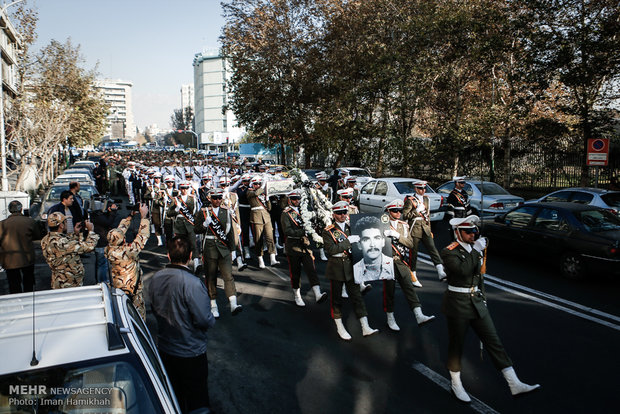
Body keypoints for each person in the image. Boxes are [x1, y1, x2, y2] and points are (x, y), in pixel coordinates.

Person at [441, 215, 540, 402]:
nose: (473, 234)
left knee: (493, 341)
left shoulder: (475, 249)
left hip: (477, 302)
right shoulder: (449, 251)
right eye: (468, 231)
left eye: (474, 231)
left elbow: (479, 278)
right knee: (457, 346)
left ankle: (514, 382)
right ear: (458, 233)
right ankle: (456, 383)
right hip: (458, 303)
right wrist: (475, 250)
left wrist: (483, 298)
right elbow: (462, 271)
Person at [147, 235, 216, 414]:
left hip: (166, 348)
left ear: (168, 256)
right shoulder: (192, 283)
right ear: (190, 255)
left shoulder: (155, 279)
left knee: (174, 398)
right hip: (191, 352)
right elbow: (203, 319)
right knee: (197, 400)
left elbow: (154, 308)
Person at [323, 201, 378, 341]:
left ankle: (365, 326)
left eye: (344, 212)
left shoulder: (352, 227)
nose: (343, 215)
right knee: (336, 300)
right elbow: (330, 250)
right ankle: (340, 326)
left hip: (352, 267)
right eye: (339, 213)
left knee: (357, 297)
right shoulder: (328, 231)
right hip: (336, 268)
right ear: (333, 214)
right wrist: (348, 242)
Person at [381, 200, 434, 331]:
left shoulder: (403, 226)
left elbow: (410, 244)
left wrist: (397, 236)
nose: (398, 213)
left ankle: (418, 314)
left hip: (400, 260)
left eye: (399, 210)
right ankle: (390, 318)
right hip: (387, 261)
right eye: (395, 211)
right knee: (389, 291)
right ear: (388, 211)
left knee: (409, 287)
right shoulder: (381, 225)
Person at [194, 188, 243, 318]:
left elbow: (230, 232)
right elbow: (196, 229)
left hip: (224, 247)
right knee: (211, 277)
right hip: (210, 248)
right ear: (210, 198)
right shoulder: (203, 212)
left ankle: (233, 303)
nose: (217, 200)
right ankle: (213, 304)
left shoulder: (226, 211)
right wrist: (205, 225)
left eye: (219, 198)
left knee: (228, 275)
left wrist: (233, 250)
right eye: (215, 198)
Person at [280, 189, 327, 307]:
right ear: (289, 200)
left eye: (298, 199)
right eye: (294, 199)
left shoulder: (304, 211)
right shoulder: (286, 213)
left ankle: (317, 293)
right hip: (293, 245)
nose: (296, 201)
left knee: (311, 269)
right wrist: (303, 231)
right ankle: (297, 295)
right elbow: (287, 231)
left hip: (305, 245)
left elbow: (311, 223)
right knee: (295, 272)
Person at [105, 203, 151, 319]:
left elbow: (119, 232)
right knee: (138, 316)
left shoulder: (109, 249)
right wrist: (144, 217)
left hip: (119, 286)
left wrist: (130, 217)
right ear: (123, 239)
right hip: (132, 289)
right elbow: (142, 236)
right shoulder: (128, 252)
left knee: (123, 314)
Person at [41, 212, 99, 289]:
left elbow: (67, 248)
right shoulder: (62, 242)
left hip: (59, 279)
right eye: (65, 222)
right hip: (68, 282)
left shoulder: (46, 239)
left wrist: (76, 233)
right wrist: (91, 231)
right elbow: (89, 247)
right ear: (61, 225)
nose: (66, 224)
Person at [402, 180, 447, 280]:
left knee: (433, 249)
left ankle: (440, 271)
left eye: (424, 188)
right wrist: (417, 211)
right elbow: (405, 215)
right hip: (414, 228)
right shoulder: (410, 200)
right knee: (413, 253)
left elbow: (427, 216)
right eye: (420, 188)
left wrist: (429, 229)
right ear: (416, 189)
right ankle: (413, 274)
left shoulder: (426, 199)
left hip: (425, 228)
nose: (423, 190)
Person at [0, 200, 42, 293]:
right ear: (21, 209)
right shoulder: (30, 221)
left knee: (14, 284)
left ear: (10, 210)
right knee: (29, 282)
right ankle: (28, 302)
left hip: (9, 259)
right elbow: (37, 236)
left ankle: (17, 303)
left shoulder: (2, 224)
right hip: (27, 257)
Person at [351, 215, 394, 283]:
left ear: (383, 242)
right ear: (359, 245)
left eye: (377, 238)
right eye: (366, 239)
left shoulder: (393, 266)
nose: (372, 245)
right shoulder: (355, 271)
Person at [247, 176, 279, 268]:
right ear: (252, 184)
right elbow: (256, 193)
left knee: (270, 237)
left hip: (266, 217)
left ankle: (272, 258)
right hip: (256, 217)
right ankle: (260, 259)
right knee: (258, 240)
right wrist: (264, 185)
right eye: (255, 184)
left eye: (259, 184)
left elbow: (269, 208)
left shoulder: (263, 193)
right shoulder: (250, 191)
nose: (257, 185)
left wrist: (267, 199)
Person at [91, 200, 120, 283]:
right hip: (101, 243)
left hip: (101, 242)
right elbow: (108, 222)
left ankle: (101, 281)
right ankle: (102, 281)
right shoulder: (98, 216)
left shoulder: (97, 215)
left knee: (102, 263)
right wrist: (113, 212)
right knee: (102, 263)